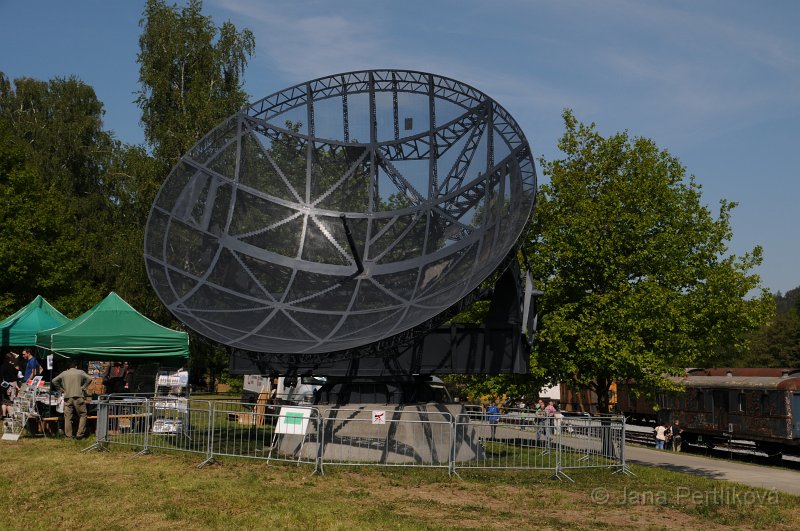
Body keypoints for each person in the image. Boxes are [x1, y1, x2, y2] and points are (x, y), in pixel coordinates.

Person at [51, 361, 92, 439]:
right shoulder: (80, 372)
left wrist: (60, 389)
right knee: (83, 415)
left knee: (67, 417)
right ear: (76, 366)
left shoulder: (64, 373)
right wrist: (83, 387)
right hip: (78, 396)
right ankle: (80, 434)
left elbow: (54, 381)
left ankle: (68, 436)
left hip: (67, 397)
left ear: (68, 367)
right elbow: (89, 378)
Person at [1, 352, 20, 418]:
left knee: (4, 401)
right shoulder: (11, 366)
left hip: (4, 384)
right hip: (11, 384)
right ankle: (10, 415)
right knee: (10, 402)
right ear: (10, 359)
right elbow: (15, 375)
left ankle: (3, 415)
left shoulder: (2, 366)